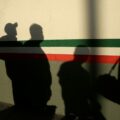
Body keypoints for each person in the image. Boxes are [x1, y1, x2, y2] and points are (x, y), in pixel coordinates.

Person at [58, 46, 105, 120]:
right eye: (86, 55)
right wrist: (95, 102)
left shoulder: (65, 66)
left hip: (68, 102)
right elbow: (88, 91)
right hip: (81, 106)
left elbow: (62, 82)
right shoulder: (84, 74)